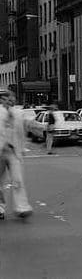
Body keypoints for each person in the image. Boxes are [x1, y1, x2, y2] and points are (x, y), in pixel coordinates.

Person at [0, 89, 33, 219]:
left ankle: (22, 208)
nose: (9, 100)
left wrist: (44, 128)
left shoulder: (18, 113)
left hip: (14, 152)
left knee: (18, 180)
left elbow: (28, 124)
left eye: (11, 98)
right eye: (5, 98)